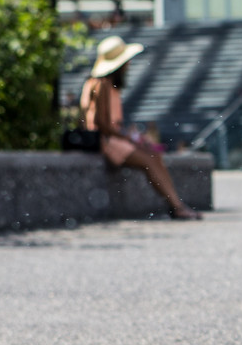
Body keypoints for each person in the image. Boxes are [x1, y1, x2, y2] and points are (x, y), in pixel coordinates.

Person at [81, 35, 201, 220]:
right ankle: (176, 206)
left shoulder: (102, 84)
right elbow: (101, 124)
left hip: (112, 138)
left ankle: (177, 203)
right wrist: (128, 139)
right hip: (107, 141)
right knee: (150, 160)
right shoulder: (102, 85)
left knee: (154, 156)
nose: (128, 65)